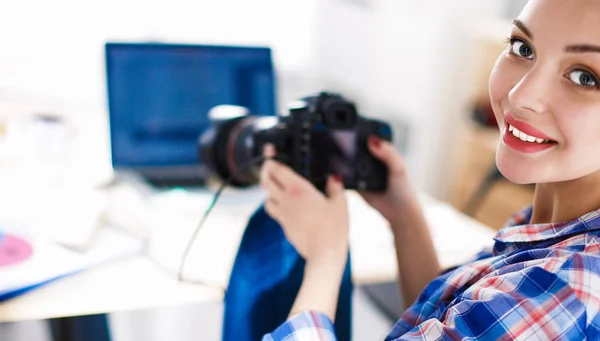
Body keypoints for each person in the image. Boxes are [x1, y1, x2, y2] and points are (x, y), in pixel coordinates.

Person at [258, 0, 600, 339]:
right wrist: (402, 213)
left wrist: (325, 255)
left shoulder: (566, 289)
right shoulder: (550, 227)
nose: (520, 94)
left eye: (585, 77)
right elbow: (457, 324)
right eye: (523, 48)